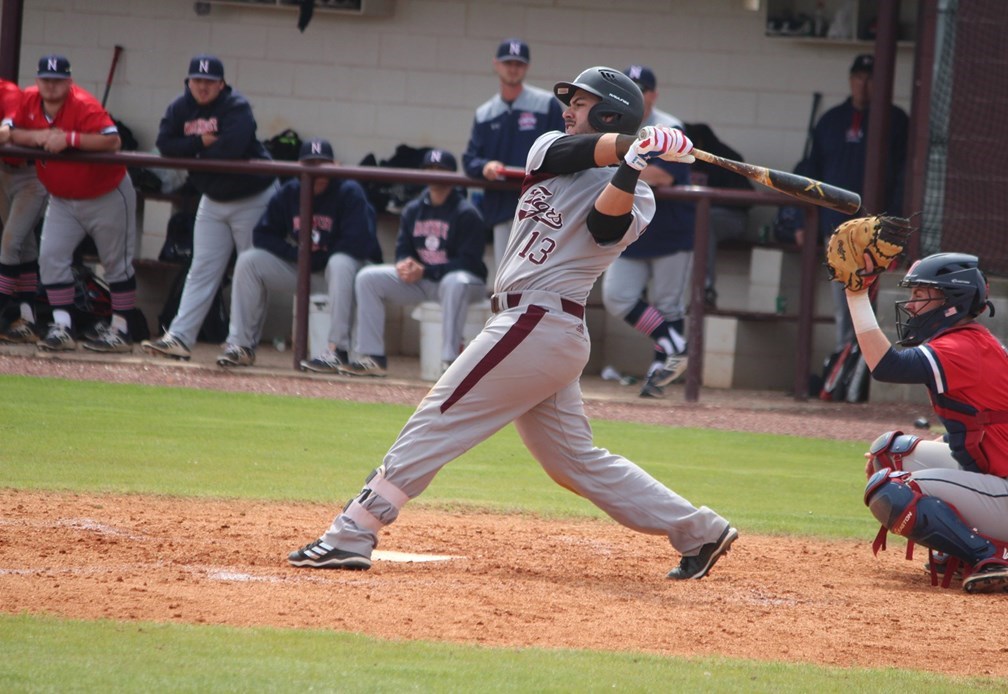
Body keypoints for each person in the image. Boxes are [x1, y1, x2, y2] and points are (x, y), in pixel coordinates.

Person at [288, 66, 738, 583]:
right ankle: (699, 530)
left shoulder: (640, 197)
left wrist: (633, 165)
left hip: (540, 320)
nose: (567, 109)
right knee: (573, 461)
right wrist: (634, 145)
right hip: (537, 328)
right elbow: (578, 151)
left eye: (581, 102)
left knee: (439, 417)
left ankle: (351, 533)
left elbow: (602, 225)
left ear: (611, 112)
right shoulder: (549, 147)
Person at [852, 252, 1008, 594]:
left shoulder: (962, 346)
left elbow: (887, 367)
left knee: (891, 487)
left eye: (922, 295)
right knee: (890, 452)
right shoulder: (971, 340)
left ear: (952, 302)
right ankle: (953, 548)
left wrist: (856, 294)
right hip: (1005, 479)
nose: (911, 305)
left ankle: (991, 556)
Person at [143, 54, 277, 361]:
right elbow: (165, 144)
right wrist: (200, 144)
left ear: (222, 84)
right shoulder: (180, 107)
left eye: (209, 82)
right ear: (189, 82)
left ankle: (241, 344)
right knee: (201, 268)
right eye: (197, 80)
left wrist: (191, 153)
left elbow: (231, 149)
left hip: (252, 196)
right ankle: (179, 336)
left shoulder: (236, 107)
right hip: (213, 198)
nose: (202, 87)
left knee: (249, 271)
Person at [8, 55, 138, 353]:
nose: (50, 85)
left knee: (116, 264)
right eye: (45, 79)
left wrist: (71, 138)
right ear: (37, 80)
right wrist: (40, 136)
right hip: (63, 199)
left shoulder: (84, 104)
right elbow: (11, 132)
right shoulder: (28, 99)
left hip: (106, 194)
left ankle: (121, 330)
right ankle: (62, 326)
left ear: (69, 81)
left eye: (57, 80)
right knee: (51, 258)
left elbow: (113, 141)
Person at [216, 138, 381, 369]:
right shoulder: (290, 192)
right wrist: (297, 254)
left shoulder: (349, 191)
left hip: (347, 273)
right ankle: (240, 345)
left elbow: (358, 243)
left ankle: (338, 350)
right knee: (249, 261)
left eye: (322, 164)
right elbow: (262, 235)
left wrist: (313, 259)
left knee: (339, 262)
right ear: (300, 166)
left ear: (333, 165)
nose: (318, 171)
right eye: (311, 164)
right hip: (307, 267)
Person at [342, 149, 486, 377]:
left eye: (441, 170)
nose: (435, 174)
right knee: (367, 278)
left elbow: (468, 262)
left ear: (452, 175)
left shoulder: (466, 213)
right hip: (424, 281)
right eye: (430, 169)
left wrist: (425, 270)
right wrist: (404, 264)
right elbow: (403, 249)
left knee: (454, 282)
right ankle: (372, 357)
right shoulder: (413, 209)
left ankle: (451, 362)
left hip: (466, 284)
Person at [601, 65, 695, 399]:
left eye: (643, 88)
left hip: (670, 231)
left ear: (654, 94)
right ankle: (676, 346)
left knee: (669, 306)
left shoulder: (671, 127)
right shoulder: (613, 123)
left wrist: (622, 170)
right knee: (617, 295)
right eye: (631, 87)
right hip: (632, 229)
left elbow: (662, 175)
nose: (637, 94)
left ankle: (659, 375)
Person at [803, 53, 909, 352]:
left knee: (875, 309)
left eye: (871, 78)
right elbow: (811, 173)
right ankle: (843, 368)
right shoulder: (831, 121)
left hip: (878, 234)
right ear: (851, 80)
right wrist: (802, 222)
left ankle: (868, 371)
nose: (864, 85)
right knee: (843, 307)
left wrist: (897, 225)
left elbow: (904, 176)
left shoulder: (896, 120)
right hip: (837, 230)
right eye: (859, 78)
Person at [462, 38, 565, 273]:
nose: (513, 68)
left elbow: (564, 147)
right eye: (508, 62)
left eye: (519, 63)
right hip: (503, 206)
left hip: (543, 206)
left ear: (526, 67)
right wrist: (485, 166)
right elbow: (470, 159)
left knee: (540, 275)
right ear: (496, 65)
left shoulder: (546, 103)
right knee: (506, 275)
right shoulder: (485, 112)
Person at [684, 123, 754, 309]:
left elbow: (747, 201)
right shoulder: (678, 159)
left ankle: (704, 291)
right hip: (691, 221)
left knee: (704, 219)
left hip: (731, 219)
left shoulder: (725, 158)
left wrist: (709, 201)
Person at [0, 77, 48, 343]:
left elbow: (6, 132)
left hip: (31, 175)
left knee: (10, 243)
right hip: (3, 172)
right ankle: (28, 320)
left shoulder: (7, 92)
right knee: (26, 245)